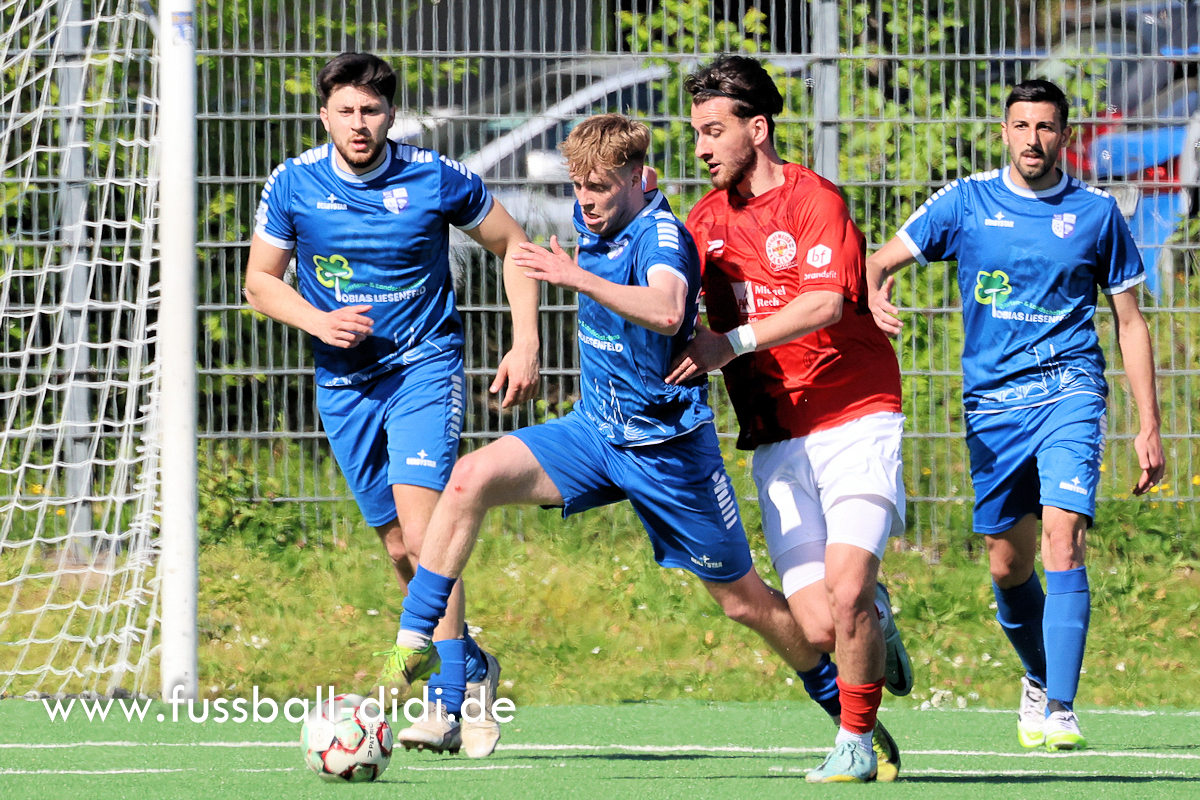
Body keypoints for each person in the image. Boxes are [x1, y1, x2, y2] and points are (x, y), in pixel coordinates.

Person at [378, 112, 902, 779]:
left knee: (743, 602)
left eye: (599, 187)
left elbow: (665, 308)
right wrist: (527, 341)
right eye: (577, 186)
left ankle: (848, 714)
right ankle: (421, 650)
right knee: (468, 478)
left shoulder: (662, 236)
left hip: (669, 454)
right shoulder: (593, 215)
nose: (586, 200)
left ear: (636, 177)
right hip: (595, 433)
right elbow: (524, 255)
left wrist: (578, 279)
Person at [244, 52, 540, 758]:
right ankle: (471, 663)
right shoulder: (293, 183)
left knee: (426, 526)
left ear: (391, 115)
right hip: (344, 384)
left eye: (371, 111)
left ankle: (447, 703)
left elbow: (513, 244)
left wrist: (526, 342)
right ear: (324, 115)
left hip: (423, 369)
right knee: (402, 547)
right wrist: (318, 321)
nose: (359, 123)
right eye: (346, 110)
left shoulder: (432, 177)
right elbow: (259, 282)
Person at [866, 79, 1165, 751]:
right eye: (1021, 126)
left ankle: (1060, 708)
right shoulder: (966, 201)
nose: (1033, 140)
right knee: (1007, 567)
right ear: (1004, 132)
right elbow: (878, 259)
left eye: (1046, 127)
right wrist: (876, 289)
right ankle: (1038, 676)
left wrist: (1149, 425)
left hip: (1070, 394)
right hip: (993, 409)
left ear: (1066, 136)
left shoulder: (1096, 214)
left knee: (1065, 537)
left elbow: (1130, 322)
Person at [663, 54, 913, 784]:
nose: (702, 147)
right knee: (819, 624)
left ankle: (856, 743)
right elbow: (672, 304)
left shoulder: (815, 201)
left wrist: (729, 343)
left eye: (714, 130)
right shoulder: (703, 223)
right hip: (777, 436)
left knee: (845, 588)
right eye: (696, 133)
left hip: (856, 414)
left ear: (759, 128)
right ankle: (876, 619)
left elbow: (825, 304)